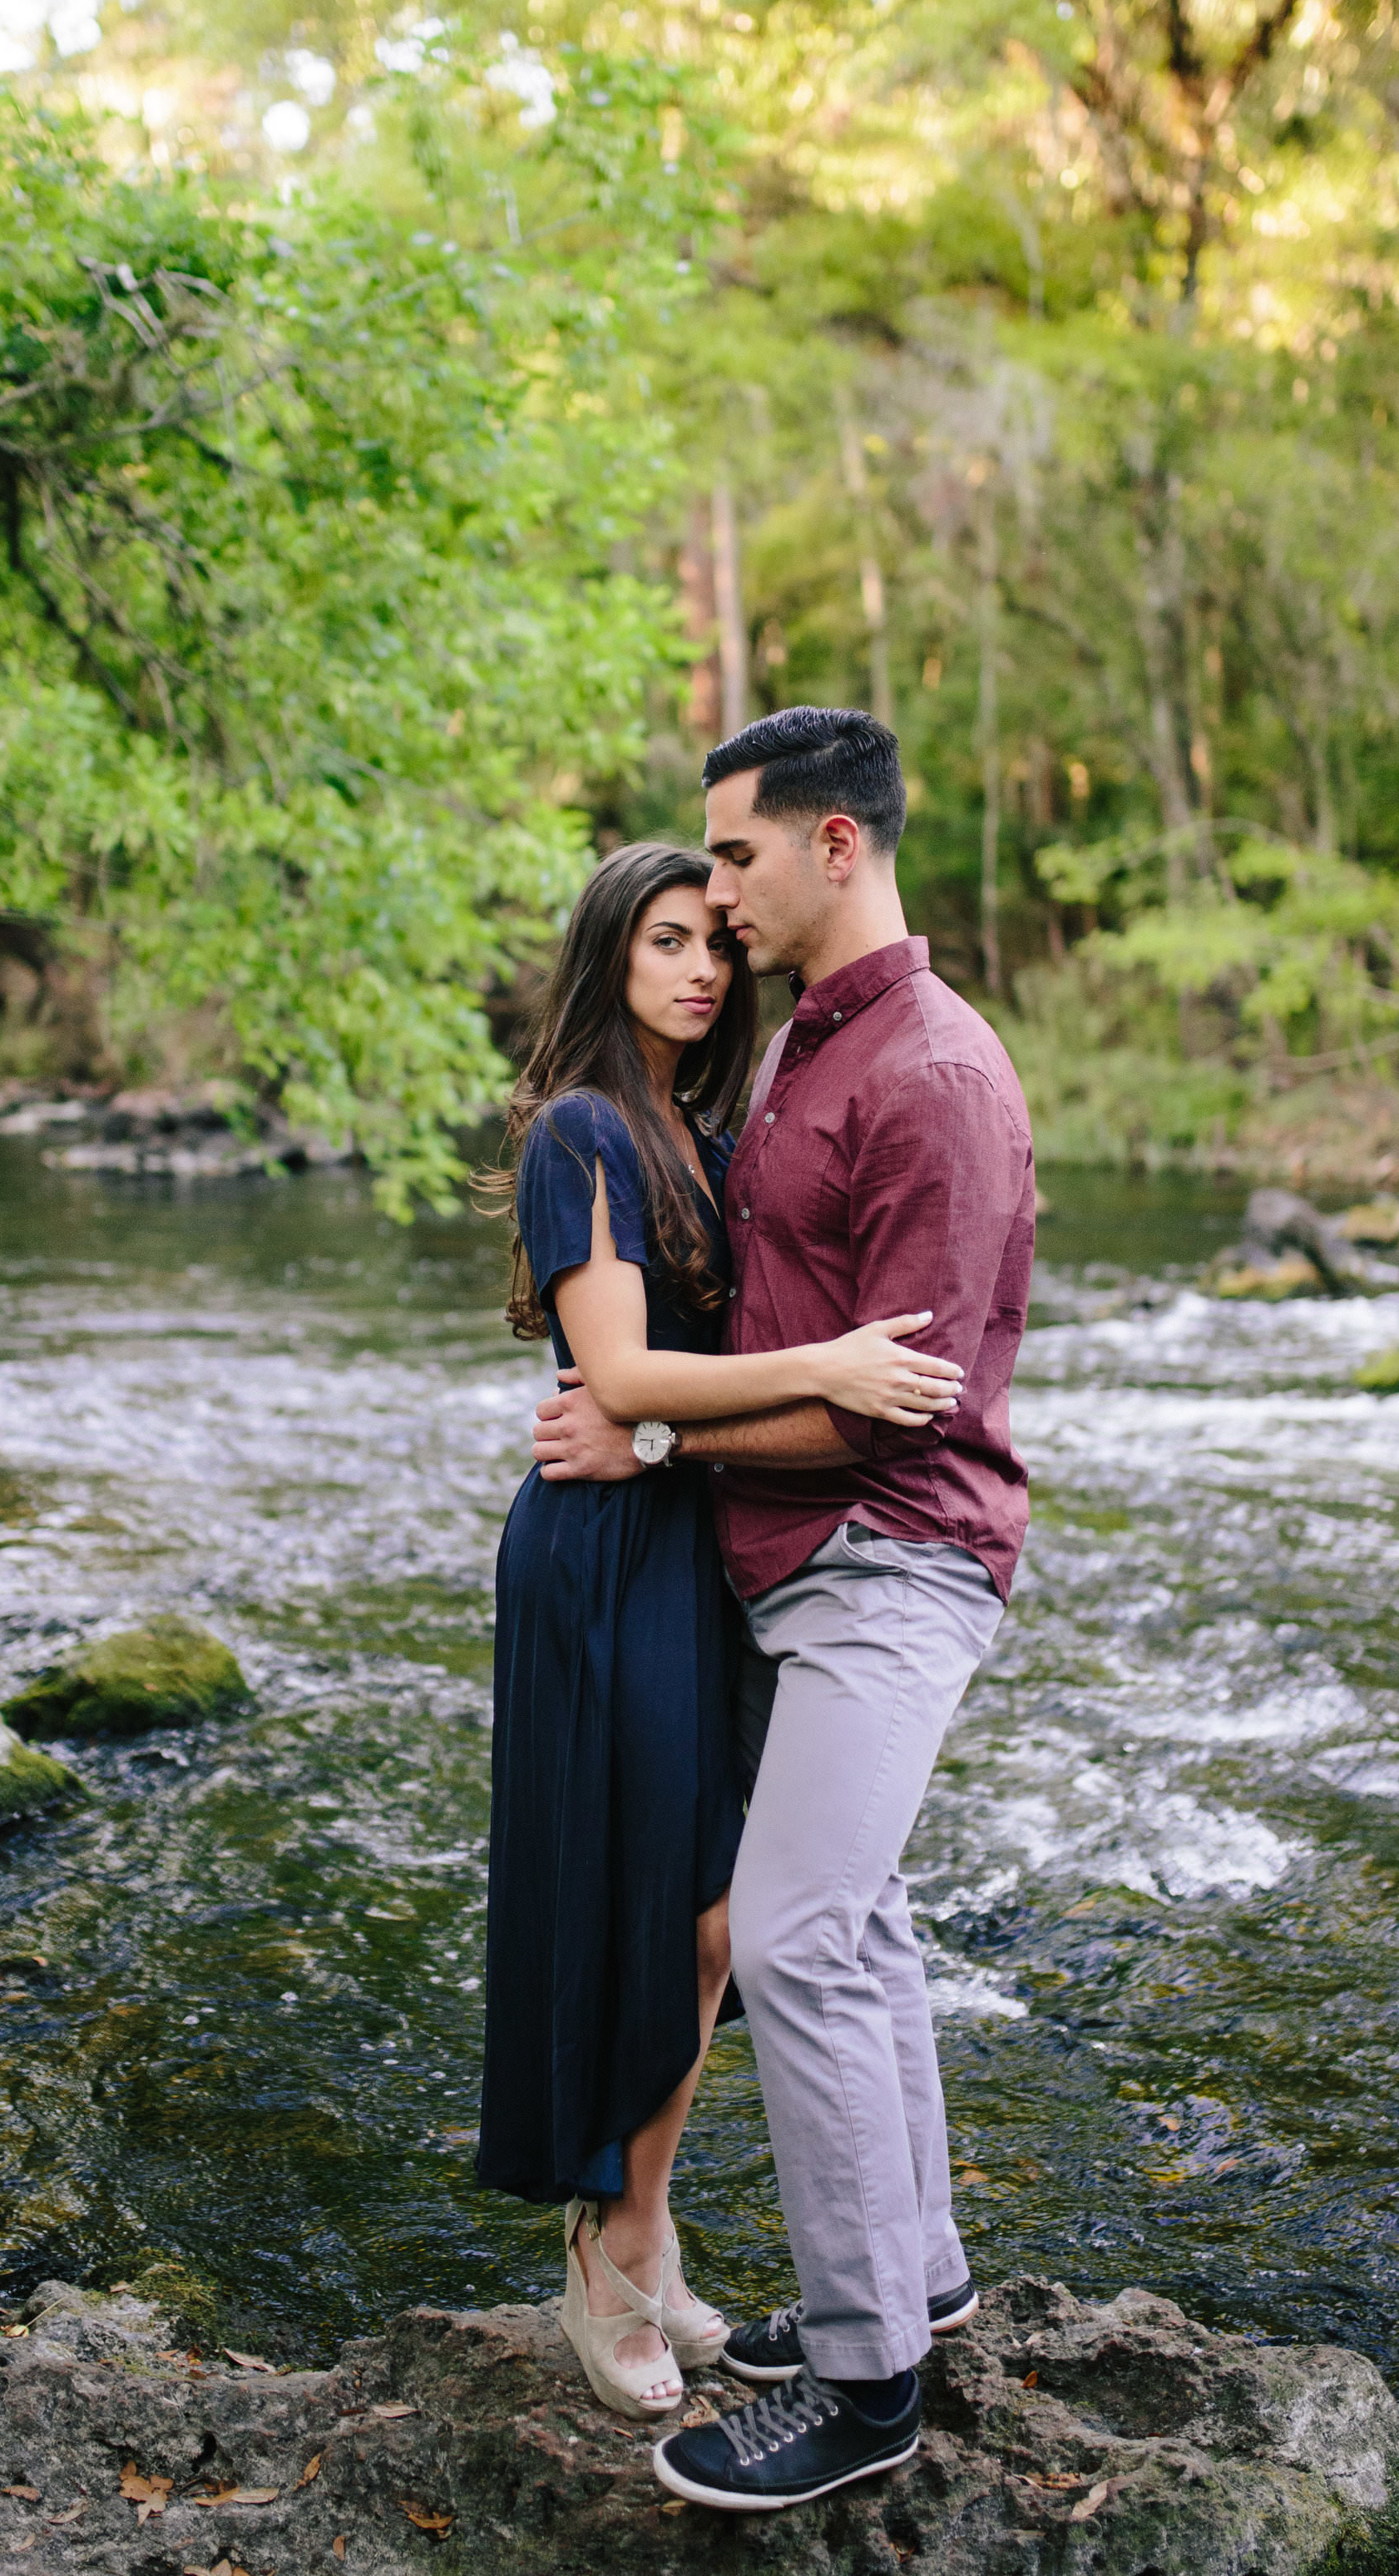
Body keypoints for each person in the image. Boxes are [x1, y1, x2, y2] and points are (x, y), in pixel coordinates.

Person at [531, 710, 1037, 2512]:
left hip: (894, 1558)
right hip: (794, 1567)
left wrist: (653, 1418)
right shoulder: (809, 1047)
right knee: (867, 1919)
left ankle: (865, 2379)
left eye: (733, 858)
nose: (715, 895)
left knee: (801, 1934)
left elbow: (889, 1405)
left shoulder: (934, 1076)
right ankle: (923, 2268)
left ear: (835, 846)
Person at [476, 837, 967, 2426]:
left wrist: (772, 1399)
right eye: (666, 941)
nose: (701, 969)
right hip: (599, 1552)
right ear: (610, 955)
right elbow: (614, 1379)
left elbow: (670, 1398)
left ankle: (644, 2229)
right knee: (638, 1909)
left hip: (689, 1541)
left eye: (716, 947)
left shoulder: (699, 1131)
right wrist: (831, 1365)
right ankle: (611, 2255)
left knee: (709, 1925)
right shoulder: (580, 1133)